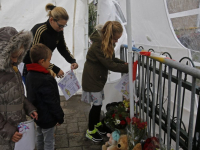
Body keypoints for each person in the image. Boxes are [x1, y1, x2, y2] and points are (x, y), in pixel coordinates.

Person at [81, 21, 128, 142]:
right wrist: (128, 68)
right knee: (96, 105)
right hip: (92, 79)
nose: (117, 41)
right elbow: (110, 64)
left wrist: (123, 63)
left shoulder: (106, 42)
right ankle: (90, 131)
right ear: (109, 35)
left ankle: (97, 125)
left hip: (97, 78)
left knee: (99, 103)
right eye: (116, 38)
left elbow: (111, 59)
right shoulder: (99, 45)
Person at [0, 27, 38, 150]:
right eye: (13, 57)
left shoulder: (13, 69)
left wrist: (29, 108)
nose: (16, 60)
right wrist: (7, 130)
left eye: (18, 56)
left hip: (19, 125)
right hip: (5, 133)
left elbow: (18, 94)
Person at [23, 3, 78, 83]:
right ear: (51, 20)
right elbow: (34, 57)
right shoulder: (39, 30)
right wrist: (55, 68)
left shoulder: (58, 31)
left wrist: (72, 61)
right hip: (31, 69)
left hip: (44, 66)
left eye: (64, 26)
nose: (62, 29)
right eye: (60, 26)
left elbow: (62, 48)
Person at [26, 43, 64, 150]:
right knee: (49, 140)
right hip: (48, 117)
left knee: (39, 135)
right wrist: (59, 117)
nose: (50, 63)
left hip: (37, 115)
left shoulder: (29, 75)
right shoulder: (46, 79)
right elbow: (52, 101)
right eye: (49, 61)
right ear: (42, 61)